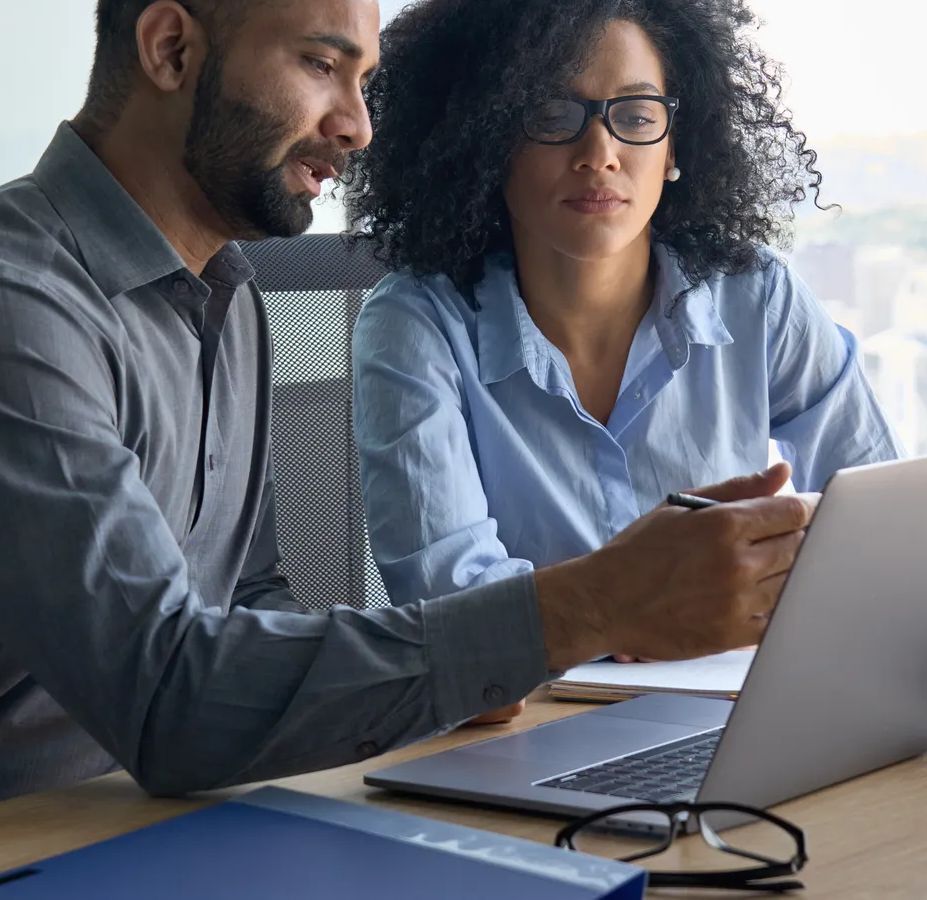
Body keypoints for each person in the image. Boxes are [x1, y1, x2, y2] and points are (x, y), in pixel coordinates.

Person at [0, 0, 813, 801]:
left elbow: (250, 599)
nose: (358, 126)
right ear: (172, 49)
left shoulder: (227, 296)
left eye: (365, 82)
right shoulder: (22, 303)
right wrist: (590, 607)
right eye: (321, 66)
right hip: (41, 837)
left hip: (168, 820)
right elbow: (168, 701)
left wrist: (454, 671)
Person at [349, 0, 901, 643]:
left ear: (674, 147)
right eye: (553, 114)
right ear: (487, 140)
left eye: (637, 116)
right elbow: (454, 611)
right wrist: (631, 614)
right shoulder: (415, 324)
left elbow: (878, 518)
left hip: (732, 701)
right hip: (532, 724)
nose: (600, 153)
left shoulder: (758, 294)